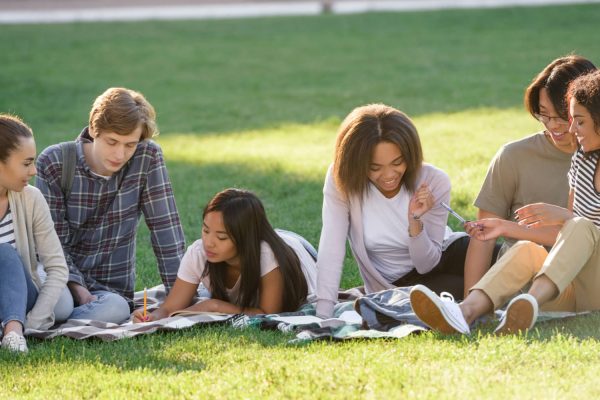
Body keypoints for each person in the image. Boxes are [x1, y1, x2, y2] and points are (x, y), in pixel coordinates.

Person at [410, 69, 600, 335]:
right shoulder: (581, 161)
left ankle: (530, 303)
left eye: (578, 121)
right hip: (571, 289)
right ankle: (465, 313)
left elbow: (578, 228)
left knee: (579, 225)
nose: (570, 129)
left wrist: (565, 217)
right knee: (525, 250)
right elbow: (568, 238)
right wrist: (503, 227)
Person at [35, 88, 186, 324]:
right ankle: (59, 317)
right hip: (59, 276)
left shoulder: (147, 157)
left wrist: (179, 300)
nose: (119, 154)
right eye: (112, 141)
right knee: (60, 305)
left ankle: (46, 320)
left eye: (130, 145)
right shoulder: (55, 162)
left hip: (109, 291)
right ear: (93, 129)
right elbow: (51, 243)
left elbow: (166, 230)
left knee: (116, 310)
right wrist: (80, 291)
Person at [315, 103, 467, 319]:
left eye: (398, 162)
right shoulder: (342, 180)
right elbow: (331, 247)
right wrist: (323, 314)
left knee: (498, 257)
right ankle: (477, 302)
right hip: (399, 285)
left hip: (443, 254)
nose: (388, 175)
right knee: (461, 289)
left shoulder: (434, 180)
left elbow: (427, 263)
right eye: (374, 167)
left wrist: (415, 222)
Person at [463, 55, 597, 296]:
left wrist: (508, 228)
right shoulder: (513, 156)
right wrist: (469, 298)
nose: (552, 125)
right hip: (517, 282)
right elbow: (483, 237)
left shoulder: (588, 160)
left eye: (562, 116)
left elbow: (577, 233)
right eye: (544, 114)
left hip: (584, 283)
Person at [133, 189, 316, 322]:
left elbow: (268, 314)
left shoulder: (267, 256)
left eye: (221, 237)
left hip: (299, 249)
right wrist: (151, 316)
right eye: (206, 230)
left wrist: (215, 306)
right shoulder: (199, 252)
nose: (209, 242)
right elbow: (169, 308)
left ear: (245, 239)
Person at [0, 114, 70, 353]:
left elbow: (58, 268)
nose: (34, 171)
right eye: (26, 163)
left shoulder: (32, 198)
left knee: (5, 254)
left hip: (20, 296)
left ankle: (13, 333)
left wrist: (31, 324)